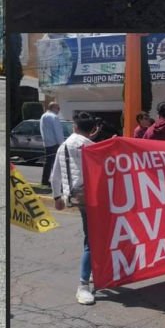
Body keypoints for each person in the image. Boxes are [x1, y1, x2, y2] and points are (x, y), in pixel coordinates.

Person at [50, 111, 99, 305]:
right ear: (93, 129)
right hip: (91, 197)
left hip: (73, 195)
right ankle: (83, 285)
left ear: (74, 127)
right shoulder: (92, 146)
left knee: (93, 236)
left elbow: (54, 176)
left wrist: (57, 197)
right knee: (93, 239)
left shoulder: (63, 146)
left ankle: (94, 272)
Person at [39, 103, 65, 186]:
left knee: (48, 163)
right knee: (56, 164)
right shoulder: (54, 117)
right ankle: (56, 182)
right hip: (55, 143)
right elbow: (58, 132)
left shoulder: (43, 116)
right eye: (58, 108)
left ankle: (45, 180)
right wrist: (62, 143)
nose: (59, 110)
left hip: (47, 143)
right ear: (54, 108)